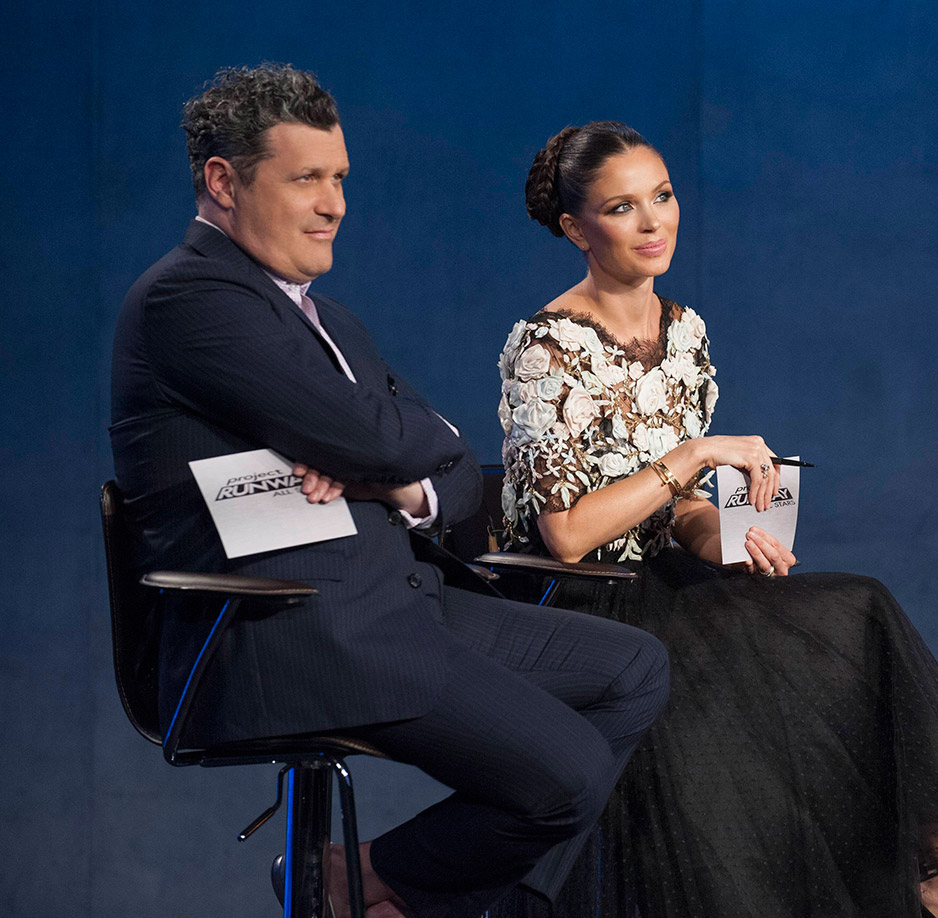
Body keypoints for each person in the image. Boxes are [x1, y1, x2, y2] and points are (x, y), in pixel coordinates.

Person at [110, 67, 668, 918]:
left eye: (339, 178)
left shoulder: (331, 323)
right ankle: (406, 891)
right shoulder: (190, 299)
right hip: (290, 629)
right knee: (567, 776)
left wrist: (394, 478)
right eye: (307, 178)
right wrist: (386, 454)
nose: (334, 204)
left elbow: (454, 467)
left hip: (396, 603)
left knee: (636, 668)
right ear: (223, 182)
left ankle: (372, 883)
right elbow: (379, 436)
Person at [495, 121, 938, 918]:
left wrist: (726, 541)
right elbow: (569, 535)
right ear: (577, 230)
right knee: (754, 661)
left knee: (856, 609)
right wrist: (693, 455)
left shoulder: (684, 332)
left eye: (663, 196)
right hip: (577, 600)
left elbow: (679, 512)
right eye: (622, 208)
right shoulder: (545, 345)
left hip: (665, 581)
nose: (653, 222)